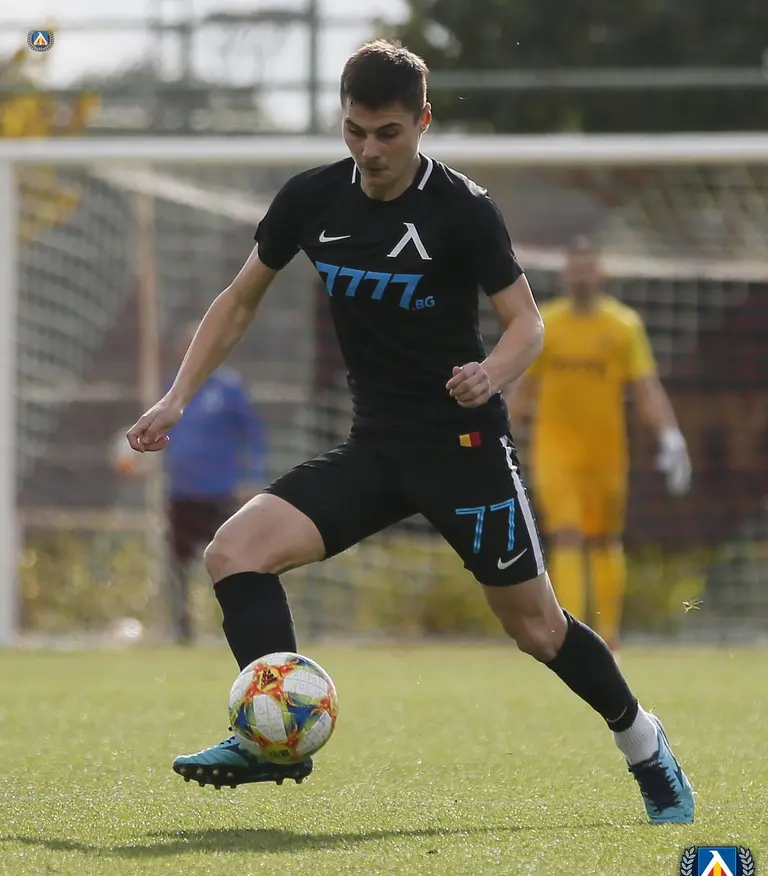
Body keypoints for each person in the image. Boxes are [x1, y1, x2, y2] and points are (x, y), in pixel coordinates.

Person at [126, 40, 694, 824]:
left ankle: (644, 742)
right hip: (376, 449)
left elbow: (527, 324)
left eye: (388, 133)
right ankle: (272, 737)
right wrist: (175, 398)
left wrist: (491, 374)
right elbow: (240, 298)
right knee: (234, 552)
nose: (370, 150)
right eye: (355, 130)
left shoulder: (463, 209)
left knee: (537, 628)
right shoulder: (312, 198)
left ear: (423, 122)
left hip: (464, 454)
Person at [506, 239, 691, 650]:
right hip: (555, 451)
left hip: (606, 453)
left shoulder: (623, 326)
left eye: (588, 268)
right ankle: (572, 637)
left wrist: (670, 436)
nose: (581, 276)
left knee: (606, 538)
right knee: (567, 535)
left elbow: (645, 388)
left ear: (601, 275)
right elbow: (524, 389)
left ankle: (609, 636)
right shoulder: (546, 324)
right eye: (575, 268)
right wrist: (500, 433)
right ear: (564, 276)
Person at [118, 322, 268, 643]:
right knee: (178, 565)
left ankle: (241, 625)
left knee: (231, 560)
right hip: (180, 493)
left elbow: (254, 437)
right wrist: (142, 462)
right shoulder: (170, 390)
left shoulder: (228, 388)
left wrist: (252, 479)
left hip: (219, 492)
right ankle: (182, 631)